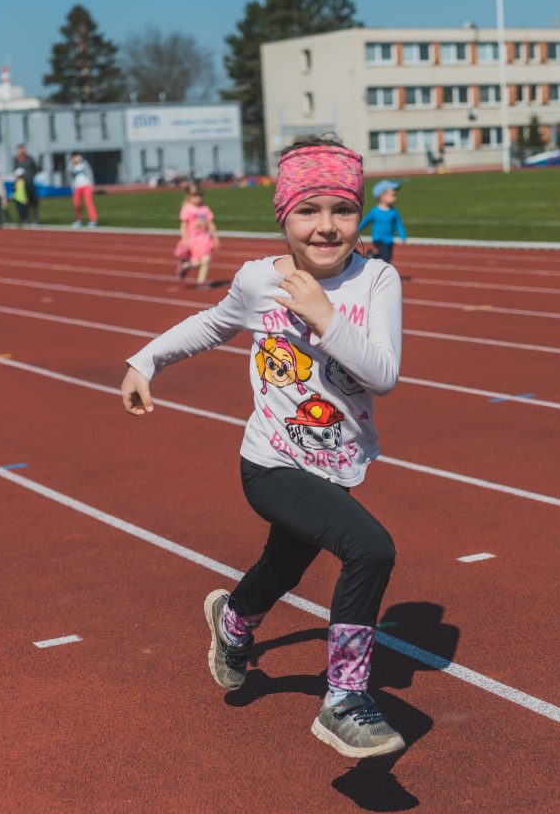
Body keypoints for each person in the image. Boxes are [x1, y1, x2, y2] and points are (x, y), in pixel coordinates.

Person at [120, 137, 405, 759]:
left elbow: (383, 372)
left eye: (342, 210)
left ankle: (233, 623)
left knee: (287, 563)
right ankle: (345, 699)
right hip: (270, 461)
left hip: (336, 463)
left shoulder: (378, 280)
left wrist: (324, 316)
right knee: (370, 549)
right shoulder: (257, 280)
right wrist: (146, 360)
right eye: (309, 211)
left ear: (359, 215)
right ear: (284, 217)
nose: (327, 226)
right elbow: (212, 324)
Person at [173, 182, 219, 286]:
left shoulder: (205, 209)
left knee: (206, 260)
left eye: (199, 195)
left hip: (204, 239)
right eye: (195, 196)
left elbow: (210, 224)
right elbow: (183, 226)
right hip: (192, 240)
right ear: (189, 197)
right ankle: (186, 265)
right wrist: (185, 240)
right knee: (197, 262)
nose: (198, 198)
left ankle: (201, 282)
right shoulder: (187, 209)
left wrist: (215, 238)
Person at [358, 180, 407, 264]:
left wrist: (402, 235)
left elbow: (398, 224)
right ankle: (376, 260)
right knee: (386, 258)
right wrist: (356, 231)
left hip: (389, 239)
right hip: (378, 239)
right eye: (392, 195)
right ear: (382, 196)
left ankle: (372, 255)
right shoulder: (374, 212)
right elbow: (365, 222)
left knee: (388, 256)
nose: (395, 198)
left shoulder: (394, 212)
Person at [68, 152, 98, 228]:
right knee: (77, 204)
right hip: (76, 187)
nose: (76, 158)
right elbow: (69, 174)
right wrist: (72, 164)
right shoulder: (70, 165)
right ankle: (79, 220)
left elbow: (90, 173)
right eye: (74, 156)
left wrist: (92, 184)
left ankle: (93, 220)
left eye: (77, 156)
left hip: (86, 185)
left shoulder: (84, 163)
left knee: (88, 203)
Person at [13, 144, 39, 224]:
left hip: (29, 183)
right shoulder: (16, 160)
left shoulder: (30, 159)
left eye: (22, 149)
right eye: (20, 149)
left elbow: (36, 169)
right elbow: (15, 171)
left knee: (33, 202)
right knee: (22, 202)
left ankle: (35, 218)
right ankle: (25, 218)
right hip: (21, 185)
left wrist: (31, 176)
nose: (21, 151)